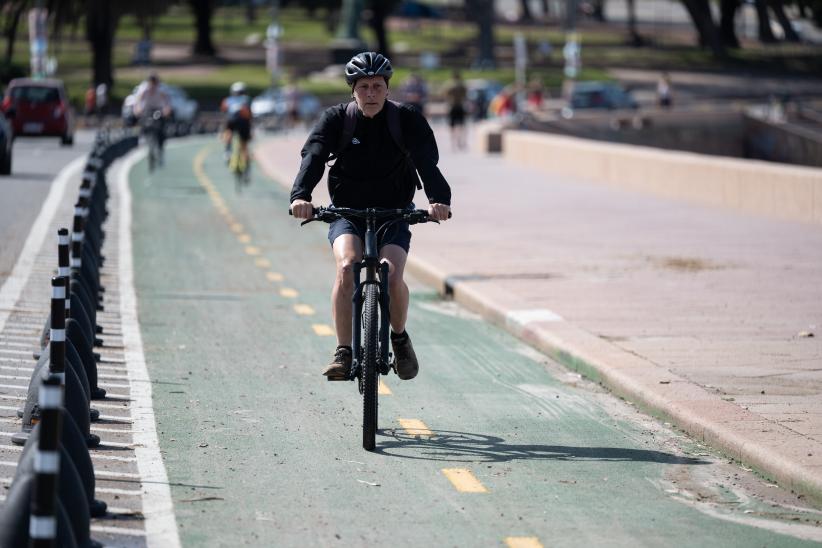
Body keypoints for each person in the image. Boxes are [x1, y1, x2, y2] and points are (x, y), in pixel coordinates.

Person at [289, 52, 452, 381]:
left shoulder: (405, 118)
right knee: (347, 266)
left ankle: (399, 339)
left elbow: (426, 160)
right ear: (353, 90)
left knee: (391, 276)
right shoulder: (337, 119)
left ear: (388, 89)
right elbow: (315, 154)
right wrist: (301, 195)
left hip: (394, 212)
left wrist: (438, 200)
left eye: (377, 86)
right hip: (347, 211)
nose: (371, 93)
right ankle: (343, 352)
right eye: (363, 87)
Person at [133, 73, 172, 163]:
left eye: (155, 84)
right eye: (151, 84)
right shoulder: (144, 88)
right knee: (143, 121)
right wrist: (138, 109)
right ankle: (142, 137)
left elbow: (167, 101)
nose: (153, 87)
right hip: (147, 109)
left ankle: (161, 148)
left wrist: (167, 109)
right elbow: (138, 100)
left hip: (158, 109)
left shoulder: (161, 89)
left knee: (161, 126)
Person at [220, 81, 253, 171]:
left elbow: (224, 113)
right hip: (244, 123)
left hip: (231, 121)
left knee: (228, 131)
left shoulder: (227, 100)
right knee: (244, 144)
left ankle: (227, 151)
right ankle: (246, 165)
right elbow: (250, 115)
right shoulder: (247, 99)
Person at [443, 70, 468, 151]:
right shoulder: (462, 85)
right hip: (460, 106)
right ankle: (460, 141)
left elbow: (445, 95)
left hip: (452, 106)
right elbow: (465, 95)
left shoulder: (449, 85)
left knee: (452, 126)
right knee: (461, 125)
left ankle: (453, 143)